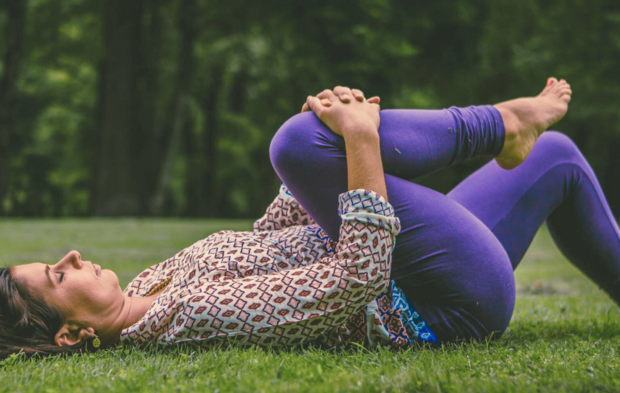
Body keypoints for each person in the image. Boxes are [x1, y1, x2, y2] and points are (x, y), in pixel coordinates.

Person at [1, 78, 616, 358]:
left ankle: (511, 129)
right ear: (70, 335)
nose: (71, 257)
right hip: (439, 299)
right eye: (57, 275)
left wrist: (322, 167)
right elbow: (356, 278)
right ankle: (499, 123)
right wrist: (358, 143)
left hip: (423, 266)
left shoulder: (151, 285)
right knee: (298, 142)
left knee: (555, 158)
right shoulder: (185, 321)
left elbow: (272, 242)